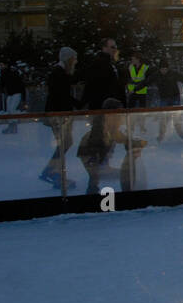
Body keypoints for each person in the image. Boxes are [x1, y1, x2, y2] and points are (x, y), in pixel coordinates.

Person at [77, 98, 147, 195]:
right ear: (109, 113)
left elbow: (120, 138)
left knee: (101, 177)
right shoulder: (101, 127)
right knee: (97, 177)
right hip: (90, 156)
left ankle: (93, 192)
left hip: (96, 157)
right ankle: (92, 196)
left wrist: (134, 142)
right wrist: (97, 164)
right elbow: (114, 138)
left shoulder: (110, 125)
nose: (120, 116)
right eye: (118, 113)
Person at [39, 47, 81, 188]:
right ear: (68, 59)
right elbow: (61, 95)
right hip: (58, 114)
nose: (75, 61)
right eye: (74, 59)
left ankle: (54, 172)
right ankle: (53, 171)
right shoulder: (59, 74)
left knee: (65, 142)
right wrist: (78, 104)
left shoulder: (61, 73)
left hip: (59, 113)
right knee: (65, 142)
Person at [153, 59, 183, 141]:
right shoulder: (157, 75)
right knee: (163, 118)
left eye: (165, 69)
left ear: (167, 68)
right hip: (164, 98)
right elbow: (146, 82)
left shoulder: (173, 74)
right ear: (159, 69)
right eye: (162, 69)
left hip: (175, 98)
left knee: (176, 117)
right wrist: (135, 89)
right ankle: (161, 135)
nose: (163, 71)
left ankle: (181, 134)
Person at [81, 37, 125, 110]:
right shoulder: (98, 63)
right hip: (103, 109)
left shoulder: (112, 64)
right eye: (112, 47)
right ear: (104, 48)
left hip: (113, 108)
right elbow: (91, 85)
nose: (115, 49)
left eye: (116, 47)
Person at [0, 61, 26, 133]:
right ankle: (11, 126)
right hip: (10, 94)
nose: (1, 66)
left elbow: (21, 84)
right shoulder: (3, 73)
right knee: (9, 110)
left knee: (12, 109)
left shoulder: (13, 72)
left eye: (2, 65)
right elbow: (2, 84)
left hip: (17, 93)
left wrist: (24, 97)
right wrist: (2, 90)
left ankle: (14, 127)